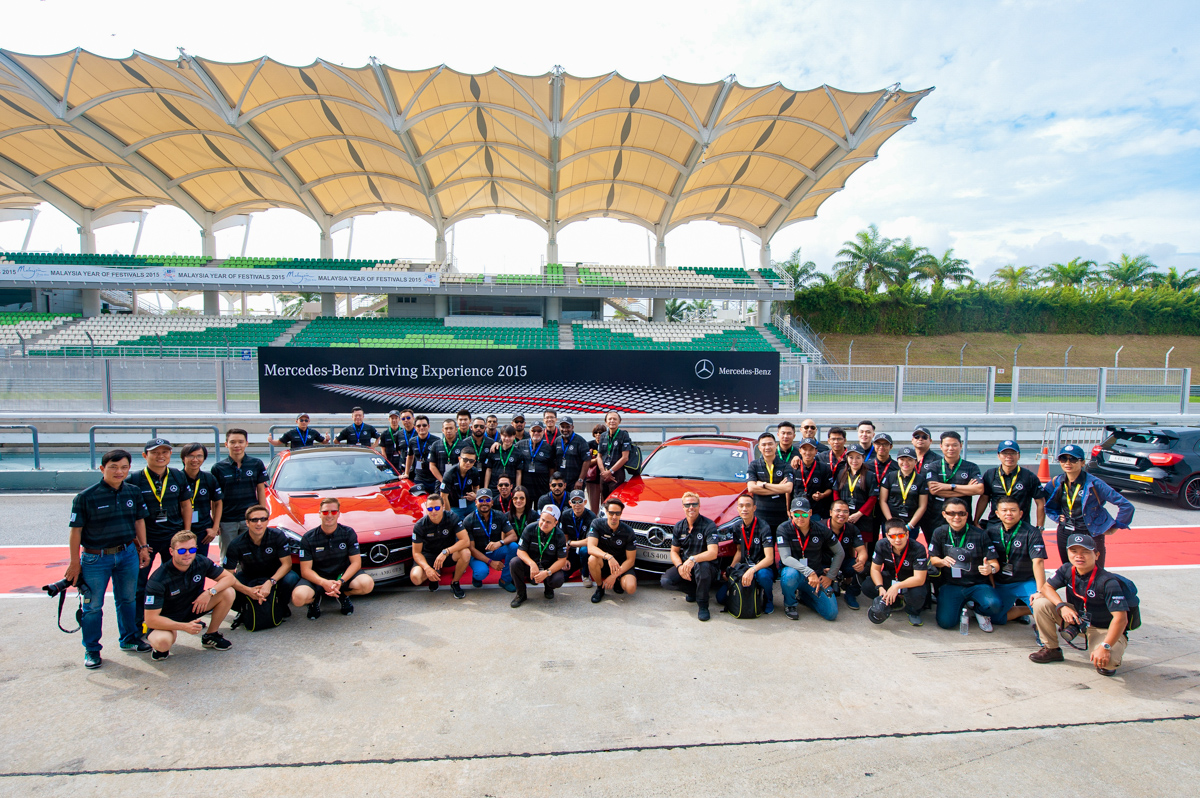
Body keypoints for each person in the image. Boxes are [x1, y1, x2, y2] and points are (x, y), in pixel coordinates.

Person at [66, 448, 152, 668]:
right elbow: (76, 531)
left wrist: (143, 547)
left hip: (127, 554)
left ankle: (129, 639)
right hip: (96, 559)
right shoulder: (85, 497)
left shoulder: (133, 491)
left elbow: (139, 521)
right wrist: (75, 563)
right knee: (93, 607)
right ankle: (92, 650)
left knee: (128, 599)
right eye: (113, 467)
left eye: (124, 467)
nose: (119, 471)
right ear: (102, 468)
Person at [1029, 533, 1132, 675]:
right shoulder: (1066, 569)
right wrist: (1062, 606)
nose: (1079, 556)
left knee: (1107, 663)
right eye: (1074, 551)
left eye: (1085, 552)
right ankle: (1051, 649)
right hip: (1076, 619)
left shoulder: (1107, 582)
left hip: (1102, 629)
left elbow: (1121, 619)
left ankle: (1102, 648)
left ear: (1096, 555)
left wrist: (1105, 646)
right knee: (1040, 603)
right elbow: (1046, 587)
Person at [128, 438, 192, 632]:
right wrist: (139, 543)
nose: (160, 456)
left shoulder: (177, 476)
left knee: (177, 580)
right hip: (146, 540)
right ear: (145, 455)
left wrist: (186, 532)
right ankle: (140, 624)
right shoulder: (134, 479)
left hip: (173, 537)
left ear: (170, 455)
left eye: (165, 452)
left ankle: (174, 618)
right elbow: (132, 515)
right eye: (155, 452)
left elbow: (185, 504)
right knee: (140, 584)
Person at [143, 530, 236, 660]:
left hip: (194, 606)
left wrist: (210, 592)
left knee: (228, 592)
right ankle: (162, 644)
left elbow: (229, 578)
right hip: (168, 617)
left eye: (192, 550)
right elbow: (150, 619)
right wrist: (184, 626)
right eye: (181, 551)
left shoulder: (200, 561)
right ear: (171, 552)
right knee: (162, 643)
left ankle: (211, 635)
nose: (187, 554)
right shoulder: (158, 579)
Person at [1044, 444, 1133, 571]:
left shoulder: (1094, 483)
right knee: (1069, 570)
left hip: (1090, 532)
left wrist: (1116, 526)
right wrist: (1056, 516)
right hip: (1065, 532)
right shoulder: (1056, 482)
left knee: (1095, 572)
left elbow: (1126, 505)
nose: (1068, 463)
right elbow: (1043, 498)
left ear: (1082, 462)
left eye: (1073, 459)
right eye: (1064, 459)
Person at [292, 498, 375, 618]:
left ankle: (343, 595)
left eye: (333, 512)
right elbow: (305, 571)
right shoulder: (308, 538)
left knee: (367, 584)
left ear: (338, 514)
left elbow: (356, 563)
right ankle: (314, 600)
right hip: (318, 578)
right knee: (298, 598)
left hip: (342, 577)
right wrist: (323, 582)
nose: (329, 515)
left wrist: (341, 582)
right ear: (319, 514)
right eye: (325, 512)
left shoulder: (348, 532)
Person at [928, 497, 1001, 631]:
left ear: (967, 515)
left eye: (961, 513)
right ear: (944, 514)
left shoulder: (980, 534)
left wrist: (990, 569)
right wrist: (942, 561)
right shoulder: (939, 532)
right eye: (951, 513)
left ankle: (978, 610)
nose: (957, 517)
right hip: (951, 584)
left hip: (977, 584)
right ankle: (962, 604)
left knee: (994, 605)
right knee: (946, 623)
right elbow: (933, 559)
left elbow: (994, 563)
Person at [223, 505, 298, 624]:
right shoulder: (236, 544)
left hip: (274, 575)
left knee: (292, 578)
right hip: (250, 576)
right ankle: (243, 608)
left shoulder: (277, 535)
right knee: (227, 586)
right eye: (254, 520)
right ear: (247, 523)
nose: (259, 523)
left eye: (263, 519)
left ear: (268, 521)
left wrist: (271, 582)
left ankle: (280, 605)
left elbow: (287, 564)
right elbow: (227, 575)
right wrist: (247, 590)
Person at [777, 496, 844, 622]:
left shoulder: (822, 530)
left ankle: (805, 596)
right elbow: (785, 558)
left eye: (804, 514)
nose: (800, 518)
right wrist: (809, 572)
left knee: (831, 614)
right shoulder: (783, 529)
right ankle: (790, 605)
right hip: (796, 573)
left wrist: (830, 576)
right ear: (791, 513)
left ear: (811, 513)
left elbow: (839, 552)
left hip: (816, 578)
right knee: (789, 574)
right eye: (796, 514)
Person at [660, 492, 721, 621]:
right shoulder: (679, 526)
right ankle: (693, 591)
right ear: (683, 507)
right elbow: (674, 551)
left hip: (706, 565)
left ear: (699, 506)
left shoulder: (709, 525)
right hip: (687, 565)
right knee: (666, 581)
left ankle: (703, 605)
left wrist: (693, 559)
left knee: (702, 567)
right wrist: (680, 566)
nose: (691, 507)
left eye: (694, 504)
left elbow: (713, 552)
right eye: (687, 505)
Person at [986, 495, 1047, 626]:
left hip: (1024, 581)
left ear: (1020, 513)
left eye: (1013, 510)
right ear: (997, 513)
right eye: (1004, 510)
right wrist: (991, 584)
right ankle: (1026, 610)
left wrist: (1041, 591)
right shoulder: (991, 531)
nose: (1009, 513)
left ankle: (1042, 633)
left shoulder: (1032, 532)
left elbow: (1038, 562)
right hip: (1002, 582)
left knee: (1041, 605)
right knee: (995, 618)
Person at [211, 428, 268, 558]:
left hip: (249, 519)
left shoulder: (256, 464)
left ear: (246, 443)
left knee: (249, 556)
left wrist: (262, 516)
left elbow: (260, 490)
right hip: (227, 520)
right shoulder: (218, 468)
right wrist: (216, 522)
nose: (237, 445)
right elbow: (214, 499)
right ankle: (228, 578)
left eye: (241, 442)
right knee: (227, 556)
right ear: (226, 444)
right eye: (233, 442)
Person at [717, 493, 776, 614]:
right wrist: (731, 568)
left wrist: (752, 570)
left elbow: (769, 558)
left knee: (763, 576)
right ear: (737, 508)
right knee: (720, 598)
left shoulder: (764, 527)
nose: (744, 509)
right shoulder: (737, 526)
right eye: (741, 506)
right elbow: (739, 551)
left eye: (748, 506)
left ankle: (768, 598)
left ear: (754, 508)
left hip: (761, 567)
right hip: (743, 567)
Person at [925, 431, 983, 546]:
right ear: (941, 446)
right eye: (947, 445)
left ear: (961, 445)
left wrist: (950, 486)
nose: (951, 448)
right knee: (937, 552)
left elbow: (979, 489)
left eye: (954, 445)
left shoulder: (971, 467)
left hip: (962, 517)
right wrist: (967, 490)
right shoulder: (934, 466)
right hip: (937, 517)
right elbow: (934, 490)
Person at [408, 494, 472, 598]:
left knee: (466, 553)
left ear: (442, 507)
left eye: (437, 508)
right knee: (415, 577)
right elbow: (416, 552)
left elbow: (465, 541)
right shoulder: (420, 525)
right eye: (430, 508)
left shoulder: (452, 517)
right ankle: (433, 574)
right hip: (428, 556)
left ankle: (455, 583)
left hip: (447, 554)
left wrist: (446, 552)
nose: (433, 511)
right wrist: (427, 568)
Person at [869, 519, 929, 627]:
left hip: (909, 582)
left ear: (907, 534)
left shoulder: (918, 548)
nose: (897, 540)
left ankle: (912, 611)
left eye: (901, 535)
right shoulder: (881, 544)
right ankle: (895, 602)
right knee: (868, 585)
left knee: (917, 594)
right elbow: (875, 569)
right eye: (892, 536)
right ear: (887, 536)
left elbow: (919, 579)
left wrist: (897, 587)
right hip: (891, 578)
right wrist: (880, 587)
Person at [975, 440, 1045, 529]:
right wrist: (976, 521)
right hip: (995, 524)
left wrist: (1040, 526)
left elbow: (1040, 502)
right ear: (998, 456)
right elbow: (984, 499)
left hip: (1021, 525)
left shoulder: (1029, 476)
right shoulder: (990, 474)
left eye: (1013, 453)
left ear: (1018, 456)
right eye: (1005, 453)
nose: (1009, 456)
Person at [509, 505, 569, 608]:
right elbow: (520, 551)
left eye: (548, 522)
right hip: (532, 565)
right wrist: (531, 563)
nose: (544, 524)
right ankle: (521, 594)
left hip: (548, 566)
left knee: (558, 580)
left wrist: (547, 572)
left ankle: (548, 588)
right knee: (514, 563)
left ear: (555, 523)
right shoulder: (530, 528)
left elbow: (562, 560)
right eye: (543, 520)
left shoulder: (560, 535)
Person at [463, 488, 517, 592]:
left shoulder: (499, 515)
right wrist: (490, 562)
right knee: (481, 573)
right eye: (481, 500)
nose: (484, 503)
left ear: (492, 502)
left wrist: (500, 543)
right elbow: (471, 549)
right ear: (475, 502)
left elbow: (513, 536)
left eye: (487, 500)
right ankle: (476, 576)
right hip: (478, 554)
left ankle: (505, 580)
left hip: (495, 550)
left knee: (513, 546)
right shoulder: (468, 520)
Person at [587, 497, 639, 603]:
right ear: (606, 512)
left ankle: (618, 580)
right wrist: (608, 557)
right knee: (592, 559)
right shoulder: (597, 523)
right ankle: (600, 588)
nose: (614, 517)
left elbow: (630, 560)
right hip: (604, 561)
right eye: (611, 513)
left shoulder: (628, 531)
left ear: (621, 513)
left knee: (631, 588)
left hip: (621, 565)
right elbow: (591, 548)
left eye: (617, 513)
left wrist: (614, 575)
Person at [179, 443, 222, 557]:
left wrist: (214, 528)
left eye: (199, 456)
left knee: (200, 563)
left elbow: (217, 502)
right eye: (191, 456)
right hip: (179, 529)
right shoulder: (176, 478)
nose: (195, 460)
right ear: (183, 458)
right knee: (179, 563)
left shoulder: (209, 478)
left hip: (202, 530)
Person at [878, 445, 929, 540]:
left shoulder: (921, 480)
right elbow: (883, 501)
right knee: (889, 550)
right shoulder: (890, 476)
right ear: (897, 460)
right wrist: (891, 522)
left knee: (910, 551)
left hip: (910, 524)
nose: (905, 462)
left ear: (915, 461)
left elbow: (922, 506)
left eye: (909, 459)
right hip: (891, 522)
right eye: (902, 459)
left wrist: (910, 525)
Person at [834, 443, 878, 550]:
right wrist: (841, 511)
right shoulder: (841, 473)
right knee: (846, 544)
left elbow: (873, 498)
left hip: (863, 517)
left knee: (862, 546)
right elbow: (835, 492)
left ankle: (862, 566)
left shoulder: (869, 475)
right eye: (851, 457)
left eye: (858, 457)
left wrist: (859, 514)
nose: (854, 461)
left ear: (863, 458)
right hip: (845, 516)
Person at [746, 432, 793, 530]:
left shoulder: (785, 466)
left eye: (770, 444)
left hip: (780, 515)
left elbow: (788, 488)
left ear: (775, 446)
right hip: (760, 515)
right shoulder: (754, 465)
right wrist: (779, 488)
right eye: (764, 445)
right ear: (759, 448)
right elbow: (751, 488)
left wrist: (764, 485)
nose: (767, 447)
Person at [828, 498, 868, 610]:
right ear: (830, 512)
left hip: (843, 563)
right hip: (825, 564)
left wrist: (861, 561)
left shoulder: (852, 529)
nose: (842, 514)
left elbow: (862, 551)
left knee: (865, 567)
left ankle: (851, 593)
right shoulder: (820, 527)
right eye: (838, 511)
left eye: (845, 511)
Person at [911, 426, 942, 545]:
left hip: (931, 509)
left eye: (924, 437)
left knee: (932, 542)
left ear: (930, 441)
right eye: (917, 436)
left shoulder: (938, 461)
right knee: (909, 542)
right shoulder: (906, 458)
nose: (920, 439)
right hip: (911, 508)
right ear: (912, 440)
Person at [863, 432, 895, 545]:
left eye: (885, 444)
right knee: (871, 538)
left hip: (890, 507)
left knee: (891, 537)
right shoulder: (866, 466)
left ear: (891, 446)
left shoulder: (897, 467)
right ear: (873, 445)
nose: (881, 447)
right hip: (871, 508)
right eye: (878, 444)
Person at [791, 437, 834, 519]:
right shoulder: (794, 466)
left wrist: (822, 495)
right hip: (796, 511)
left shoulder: (823, 468)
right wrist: (787, 508)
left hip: (815, 511)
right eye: (804, 449)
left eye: (811, 449)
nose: (808, 452)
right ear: (800, 451)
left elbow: (829, 489)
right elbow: (789, 491)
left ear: (816, 451)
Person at [560, 489, 595, 585]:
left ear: (585, 502)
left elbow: (590, 541)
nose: (577, 504)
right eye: (574, 502)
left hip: (585, 550)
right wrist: (565, 558)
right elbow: (565, 536)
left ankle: (585, 574)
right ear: (569, 503)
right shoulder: (565, 515)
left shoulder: (592, 517)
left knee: (584, 550)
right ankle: (578, 566)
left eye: (580, 501)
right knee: (562, 577)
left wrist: (570, 543)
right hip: (572, 550)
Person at [596, 411, 632, 498]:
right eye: (610, 419)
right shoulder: (603, 435)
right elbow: (599, 456)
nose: (612, 421)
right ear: (606, 422)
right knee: (604, 502)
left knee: (615, 501)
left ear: (619, 421)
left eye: (615, 419)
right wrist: (603, 472)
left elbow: (625, 457)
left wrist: (610, 472)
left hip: (616, 475)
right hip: (604, 474)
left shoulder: (624, 435)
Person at [440, 449, 484, 522]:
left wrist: (475, 495)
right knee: (456, 524)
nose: (468, 463)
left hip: (469, 504)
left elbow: (476, 487)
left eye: (471, 461)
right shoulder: (449, 474)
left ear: (474, 462)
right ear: (459, 459)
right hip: (454, 506)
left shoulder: (474, 471)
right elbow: (443, 496)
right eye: (465, 459)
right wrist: (448, 514)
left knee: (479, 520)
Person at [520, 421, 555, 501]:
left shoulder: (549, 448)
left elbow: (552, 468)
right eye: (533, 431)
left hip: (542, 486)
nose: (536, 433)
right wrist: (498, 443)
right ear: (529, 432)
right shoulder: (520, 445)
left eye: (539, 431)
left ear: (543, 432)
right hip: (525, 487)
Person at [555, 416, 590, 493]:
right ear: (559, 427)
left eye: (568, 427)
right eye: (562, 427)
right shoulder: (557, 441)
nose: (565, 430)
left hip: (575, 482)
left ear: (572, 427)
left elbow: (587, 461)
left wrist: (580, 480)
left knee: (575, 504)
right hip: (560, 482)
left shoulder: (580, 441)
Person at [455, 417, 494, 486]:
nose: (478, 428)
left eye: (481, 426)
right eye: (476, 426)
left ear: (485, 428)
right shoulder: (464, 443)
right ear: (471, 427)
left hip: (487, 478)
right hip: (469, 479)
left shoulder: (491, 443)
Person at [407, 415, 440, 493]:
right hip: (419, 479)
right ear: (415, 428)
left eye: (424, 425)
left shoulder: (437, 441)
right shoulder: (412, 441)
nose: (421, 427)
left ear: (428, 426)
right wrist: (406, 473)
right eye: (418, 425)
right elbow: (409, 457)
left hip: (433, 479)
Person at [430, 418, 462, 488]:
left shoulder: (464, 445)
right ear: (442, 430)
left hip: (459, 483)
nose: (448, 431)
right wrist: (443, 480)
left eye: (451, 428)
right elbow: (432, 465)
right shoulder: (436, 445)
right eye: (446, 428)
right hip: (441, 482)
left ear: (456, 429)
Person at [489, 425, 523, 489]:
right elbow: (489, 470)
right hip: (494, 487)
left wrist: (518, 489)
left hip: (510, 488)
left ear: (514, 436)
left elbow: (518, 473)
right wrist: (486, 487)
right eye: (505, 436)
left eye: (510, 436)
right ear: (501, 435)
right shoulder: (494, 450)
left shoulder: (518, 453)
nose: (507, 438)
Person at [585, 423, 606, 512]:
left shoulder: (607, 444)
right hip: (592, 479)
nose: (598, 435)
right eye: (596, 433)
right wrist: (598, 458)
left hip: (605, 478)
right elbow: (586, 462)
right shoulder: (589, 444)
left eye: (600, 432)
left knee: (605, 505)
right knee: (594, 507)